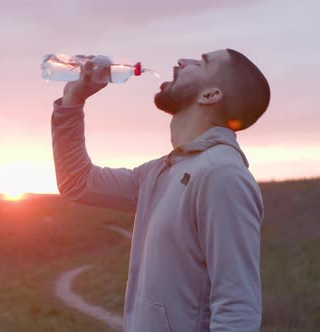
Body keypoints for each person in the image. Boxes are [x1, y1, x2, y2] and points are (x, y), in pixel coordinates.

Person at [51, 49, 270, 332]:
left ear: (210, 95)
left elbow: (238, 307)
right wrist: (73, 100)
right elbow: (77, 182)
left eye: (201, 63)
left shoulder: (222, 175)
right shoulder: (163, 171)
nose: (182, 61)